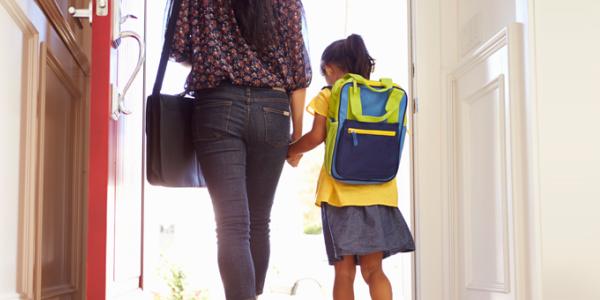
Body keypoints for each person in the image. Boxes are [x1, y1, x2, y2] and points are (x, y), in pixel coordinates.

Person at [169, 1, 311, 299]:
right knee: (259, 221)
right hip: (273, 112)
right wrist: (297, 136)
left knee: (232, 225)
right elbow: (298, 73)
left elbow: (178, 47)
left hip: (217, 105)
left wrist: (216, 54)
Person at [287, 34, 415, 300]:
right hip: (380, 194)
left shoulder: (330, 93)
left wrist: (291, 152)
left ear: (330, 69)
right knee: (374, 271)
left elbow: (315, 137)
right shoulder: (385, 95)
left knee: (344, 274)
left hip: (339, 195)